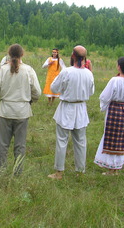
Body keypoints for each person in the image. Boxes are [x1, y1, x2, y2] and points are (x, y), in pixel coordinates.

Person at [0, 44, 41, 175]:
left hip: (6, 111)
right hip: (22, 111)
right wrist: (30, 99)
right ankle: (17, 172)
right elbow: (37, 92)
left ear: (9, 54)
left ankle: (1, 171)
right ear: (22, 54)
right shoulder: (28, 70)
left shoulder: (3, 69)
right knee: (20, 145)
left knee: (3, 144)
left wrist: (0, 92)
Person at [47, 46, 94, 180]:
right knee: (80, 142)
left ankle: (59, 173)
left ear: (73, 56)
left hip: (67, 108)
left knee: (62, 141)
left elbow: (54, 87)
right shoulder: (89, 73)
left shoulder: (66, 72)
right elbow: (91, 92)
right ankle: (80, 171)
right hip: (80, 108)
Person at [94, 57, 124, 175]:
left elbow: (104, 96)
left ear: (119, 66)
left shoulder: (115, 80)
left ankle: (112, 168)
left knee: (112, 138)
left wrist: (104, 107)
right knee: (122, 138)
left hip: (114, 110)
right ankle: (116, 168)